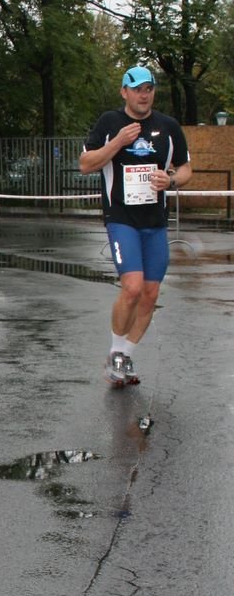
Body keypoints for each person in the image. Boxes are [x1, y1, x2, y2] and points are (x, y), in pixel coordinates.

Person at [79, 65, 192, 387]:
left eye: (149, 88)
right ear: (124, 92)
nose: (144, 94)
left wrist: (169, 179)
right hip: (121, 218)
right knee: (131, 287)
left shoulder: (168, 127)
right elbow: (85, 165)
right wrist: (116, 143)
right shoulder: (110, 123)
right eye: (137, 88)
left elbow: (185, 169)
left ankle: (126, 354)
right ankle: (115, 353)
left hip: (155, 222)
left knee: (150, 292)